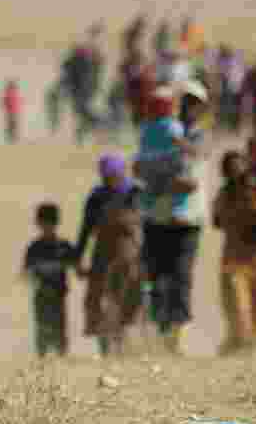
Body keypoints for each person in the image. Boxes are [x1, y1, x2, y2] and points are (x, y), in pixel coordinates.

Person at [136, 80, 211, 355]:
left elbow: (190, 178)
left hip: (187, 218)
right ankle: (159, 330)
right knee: (155, 274)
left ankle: (177, 336)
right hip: (156, 216)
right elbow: (139, 167)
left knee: (181, 275)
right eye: (186, 101)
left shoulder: (199, 136)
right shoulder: (158, 131)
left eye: (195, 103)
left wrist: (157, 183)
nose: (190, 107)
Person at [73, 155, 140, 357]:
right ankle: (104, 344)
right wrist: (78, 258)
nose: (110, 178)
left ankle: (126, 339)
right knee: (96, 297)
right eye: (106, 175)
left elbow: (146, 226)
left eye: (114, 174)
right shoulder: (96, 196)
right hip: (102, 253)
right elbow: (85, 229)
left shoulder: (135, 193)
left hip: (129, 252)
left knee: (127, 295)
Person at [212, 150, 256, 356]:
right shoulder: (223, 195)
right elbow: (217, 221)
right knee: (237, 307)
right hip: (234, 257)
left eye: (239, 167)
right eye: (231, 168)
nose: (235, 172)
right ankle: (238, 342)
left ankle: (251, 346)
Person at [135, 85, 195, 224]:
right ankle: (175, 212)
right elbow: (178, 141)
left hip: (147, 169)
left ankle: (152, 212)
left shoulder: (145, 126)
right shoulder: (171, 125)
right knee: (183, 183)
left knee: (152, 195)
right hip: (167, 167)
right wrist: (191, 149)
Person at [22, 203, 75, 358]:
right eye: (44, 223)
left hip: (59, 297)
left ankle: (61, 359)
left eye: (50, 223)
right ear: (39, 224)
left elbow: (77, 266)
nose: (47, 227)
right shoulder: (34, 247)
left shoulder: (64, 247)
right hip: (41, 296)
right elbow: (27, 272)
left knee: (60, 331)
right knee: (42, 330)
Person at [1, 79, 22, 144]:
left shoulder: (10, 92)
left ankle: (12, 138)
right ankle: (12, 138)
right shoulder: (12, 92)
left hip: (12, 112)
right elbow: (4, 102)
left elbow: (3, 102)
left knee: (12, 125)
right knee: (12, 125)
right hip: (12, 112)